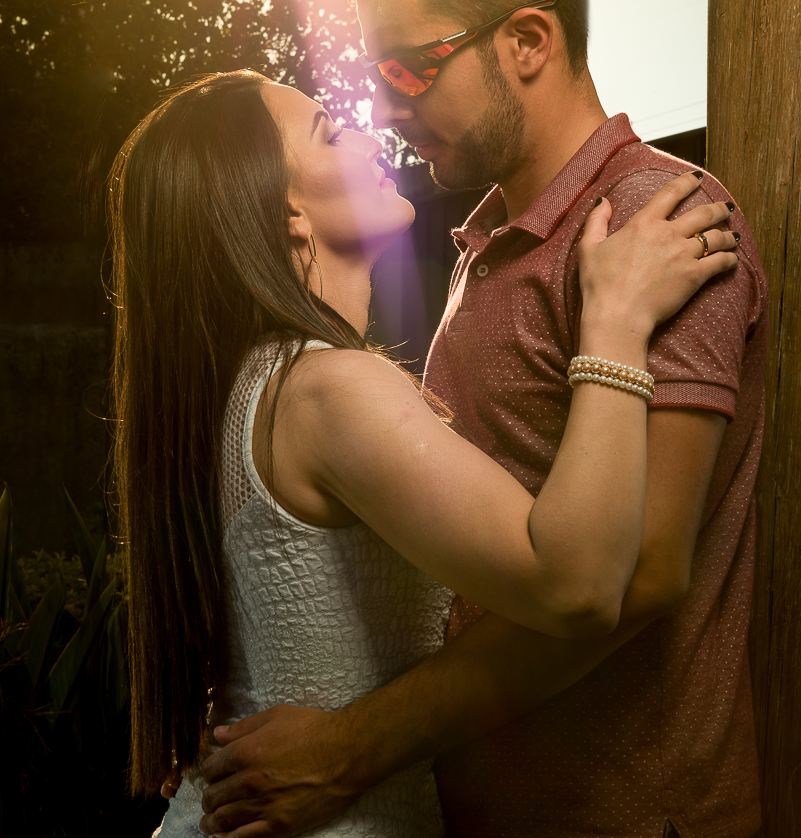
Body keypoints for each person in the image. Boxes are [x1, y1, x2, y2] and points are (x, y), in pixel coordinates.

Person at [195, 0, 768, 838]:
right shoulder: (478, 246)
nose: (386, 110)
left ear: (529, 43)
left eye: (411, 69)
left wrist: (353, 748)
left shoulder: (654, 221)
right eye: (371, 82)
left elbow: (636, 582)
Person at [109, 67, 737, 838]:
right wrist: (612, 322)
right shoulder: (329, 390)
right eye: (329, 134)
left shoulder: (251, 387)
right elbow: (578, 585)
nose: (368, 136)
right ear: (287, 212)